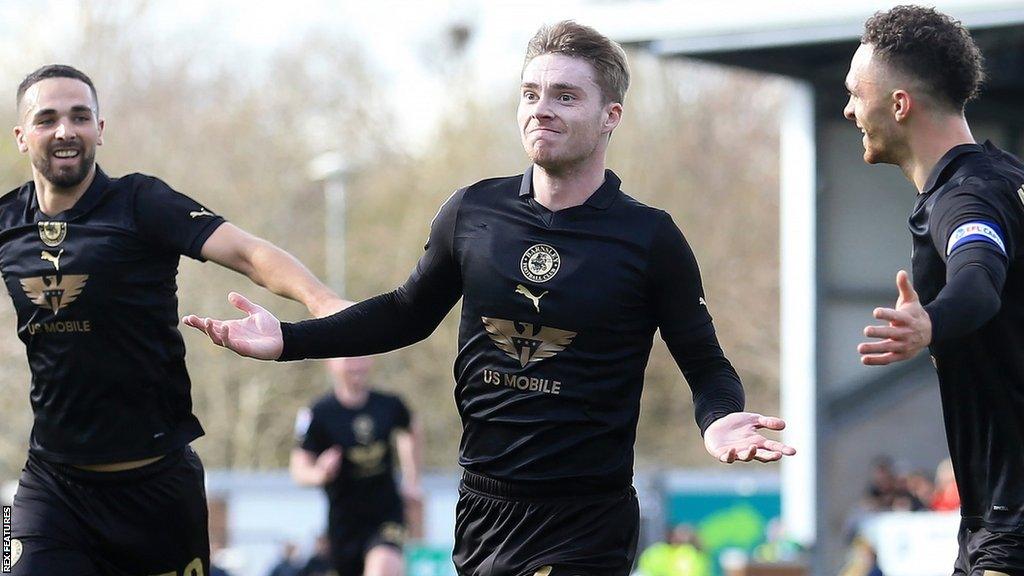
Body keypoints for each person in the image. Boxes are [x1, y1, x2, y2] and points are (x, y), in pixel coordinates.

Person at [185, 21, 796, 576]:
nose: (542, 109)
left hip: (586, 518)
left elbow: (706, 363)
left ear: (611, 116)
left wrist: (718, 420)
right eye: (531, 93)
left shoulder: (649, 238)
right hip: (484, 510)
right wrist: (290, 339)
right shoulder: (474, 212)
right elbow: (405, 313)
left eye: (565, 95)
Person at [2, 65, 343, 576]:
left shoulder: (141, 203)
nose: (65, 130)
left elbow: (247, 252)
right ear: (23, 136)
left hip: (158, 488)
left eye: (79, 116)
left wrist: (324, 303)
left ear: (100, 129)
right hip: (52, 488)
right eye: (47, 118)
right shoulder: (9, 223)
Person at [845, 5, 1024, 574]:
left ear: (899, 104)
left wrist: (932, 323)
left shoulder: (966, 198)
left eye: (855, 93)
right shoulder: (1007, 178)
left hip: (1013, 515)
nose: (848, 109)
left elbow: (977, 278)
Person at [292, 356, 421, 576]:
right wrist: (320, 473)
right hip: (344, 523)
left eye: (361, 357)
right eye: (348, 360)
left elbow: (412, 429)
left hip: (386, 514)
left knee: (383, 567)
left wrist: (413, 480)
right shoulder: (317, 413)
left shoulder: (390, 405)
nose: (356, 365)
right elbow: (298, 470)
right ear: (330, 363)